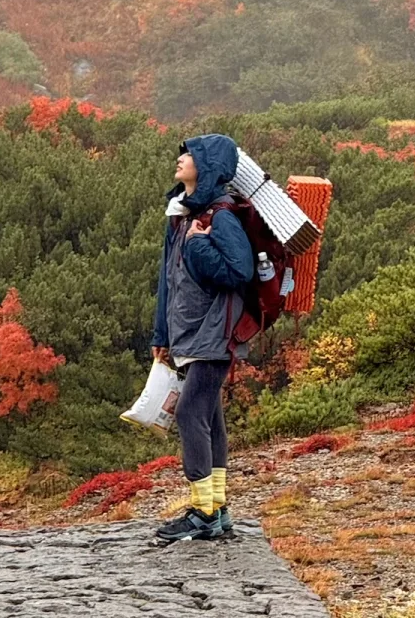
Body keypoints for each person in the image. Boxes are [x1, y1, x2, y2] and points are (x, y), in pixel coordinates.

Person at [151, 133, 255, 544]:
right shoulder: (181, 215)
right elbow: (168, 280)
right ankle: (217, 507)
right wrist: (162, 334)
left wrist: (199, 246)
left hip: (214, 332)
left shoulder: (221, 215)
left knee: (189, 413)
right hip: (189, 332)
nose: (181, 159)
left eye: (190, 154)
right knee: (208, 416)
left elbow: (239, 272)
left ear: (207, 166)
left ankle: (203, 512)